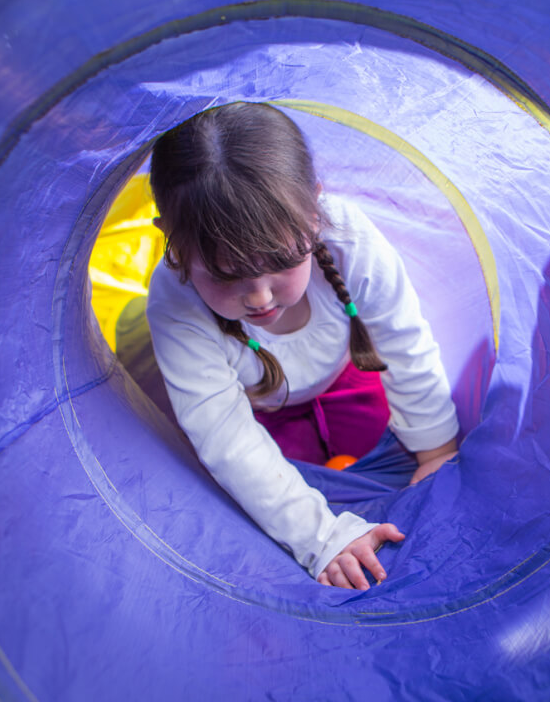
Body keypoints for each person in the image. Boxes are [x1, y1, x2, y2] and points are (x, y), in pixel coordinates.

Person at [145, 102, 459, 590]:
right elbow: (227, 440)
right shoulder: (173, 299)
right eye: (227, 275)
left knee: (385, 447)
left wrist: (436, 450)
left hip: (345, 371)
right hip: (256, 408)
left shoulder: (347, 238)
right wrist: (321, 538)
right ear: (174, 242)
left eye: (281, 263)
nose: (260, 297)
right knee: (254, 500)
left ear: (314, 211)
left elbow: (404, 341)